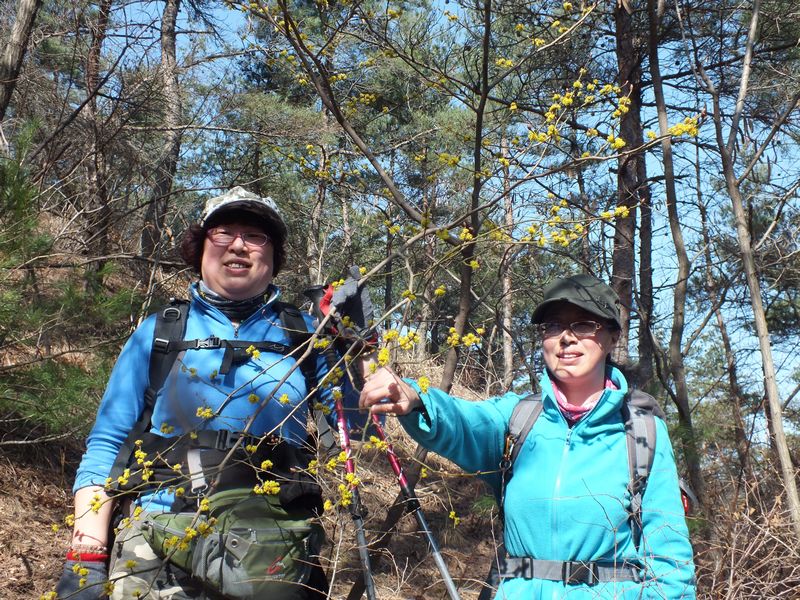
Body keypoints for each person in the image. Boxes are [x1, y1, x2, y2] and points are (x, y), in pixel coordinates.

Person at [56, 187, 356, 599]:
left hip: (274, 545)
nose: (238, 245)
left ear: (274, 257)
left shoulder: (305, 336)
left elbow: (350, 430)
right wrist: (87, 554)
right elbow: (108, 442)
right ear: (200, 250)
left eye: (255, 236)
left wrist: (357, 353)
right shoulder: (160, 331)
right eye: (223, 232)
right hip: (158, 536)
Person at [360, 273, 696, 599]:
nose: (566, 337)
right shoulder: (517, 419)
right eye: (553, 325)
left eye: (583, 324)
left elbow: (670, 566)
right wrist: (417, 399)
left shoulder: (642, 433)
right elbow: (464, 421)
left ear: (612, 337)